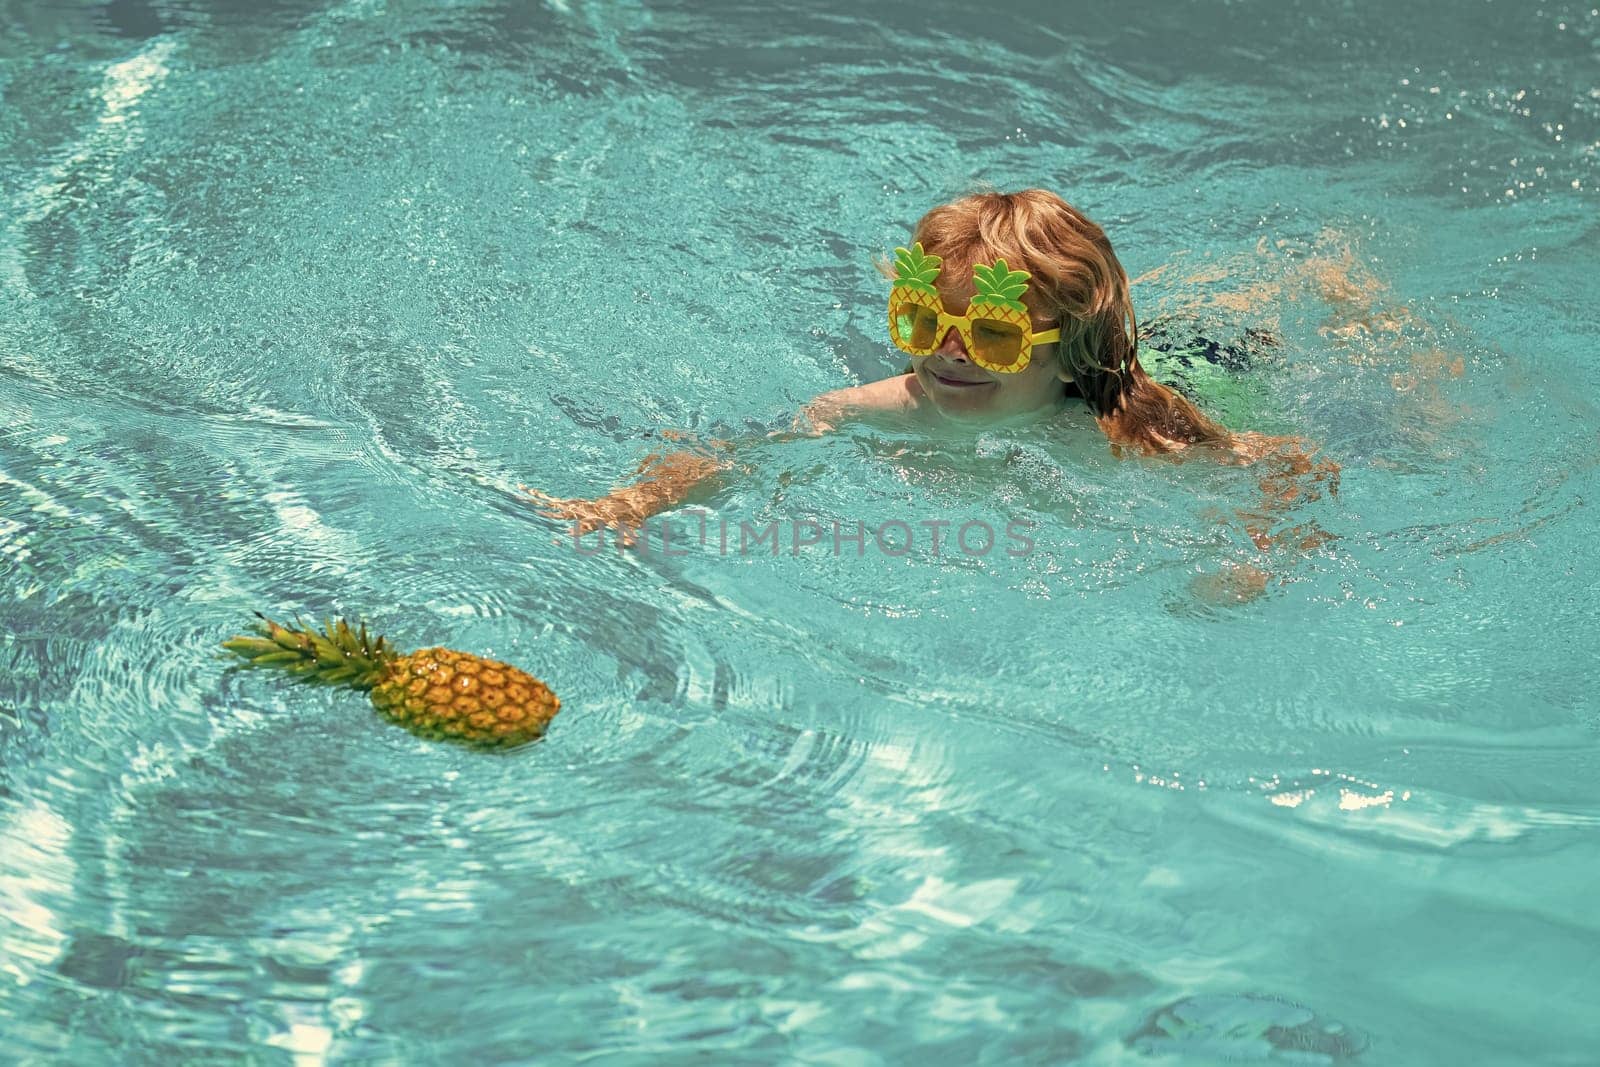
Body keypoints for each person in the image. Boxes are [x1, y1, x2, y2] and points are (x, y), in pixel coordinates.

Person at [524, 189, 1339, 583]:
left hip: (1203, 364)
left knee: (1240, 328)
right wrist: (632, 503)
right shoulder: (881, 407)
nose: (947, 357)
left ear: (1063, 354)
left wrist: (1254, 561)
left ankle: (1325, 285)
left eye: (990, 334)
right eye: (921, 323)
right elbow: (740, 454)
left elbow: (1294, 465)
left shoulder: (1126, 430)